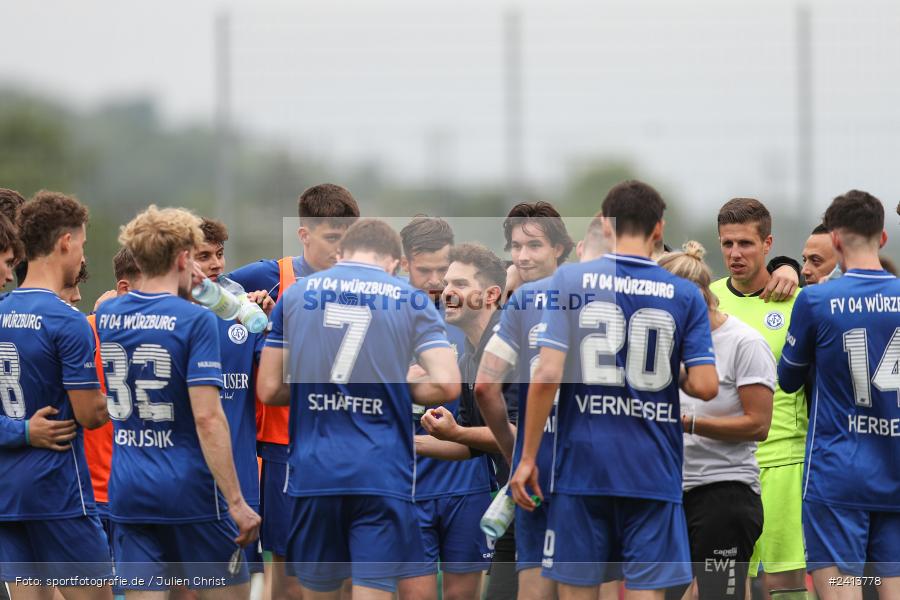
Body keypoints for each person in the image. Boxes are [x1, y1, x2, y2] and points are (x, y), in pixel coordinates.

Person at [510, 180, 719, 598]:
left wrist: (528, 456)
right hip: (652, 470)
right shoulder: (684, 293)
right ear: (659, 230)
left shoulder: (570, 279)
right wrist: (661, 362)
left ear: (606, 226)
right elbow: (706, 385)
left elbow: (547, 374)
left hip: (582, 469)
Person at [257, 218, 461, 598]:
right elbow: (447, 384)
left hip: (314, 471)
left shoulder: (298, 295)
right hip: (381, 472)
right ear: (395, 262)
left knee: (320, 590)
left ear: (341, 254)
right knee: (373, 587)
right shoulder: (410, 298)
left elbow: (269, 389)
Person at [96, 205, 260, 598]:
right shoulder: (195, 319)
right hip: (190, 488)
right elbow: (207, 418)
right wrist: (236, 501)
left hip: (128, 488)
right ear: (184, 258)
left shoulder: (108, 314)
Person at [227, 183, 359, 599]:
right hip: (285, 445)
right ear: (304, 234)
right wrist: (247, 313)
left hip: (346, 443)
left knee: (345, 565)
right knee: (289, 569)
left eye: (347, 238)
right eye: (331, 238)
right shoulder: (270, 276)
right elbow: (210, 293)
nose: (341, 249)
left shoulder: (361, 283)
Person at [779, 190, 900, 600]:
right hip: (895, 470)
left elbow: (789, 379)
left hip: (838, 475)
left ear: (833, 239)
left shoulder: (816, 300)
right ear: (882, 238)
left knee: (843, 590)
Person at [0, 191, 112, 600]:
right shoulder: (67, 321)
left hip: (6, 493)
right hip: (58, 492)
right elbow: (90, 415)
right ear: (66, 242)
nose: (82, 257)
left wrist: (21, 431)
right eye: (81, 245)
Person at [658, 241, 775, 600]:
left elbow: (758, 424)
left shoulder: (744, 342)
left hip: (725, 493)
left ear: (697, 296)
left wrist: (690, 423)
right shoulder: (663, 341)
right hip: (668, 493)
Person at [474, 201, 574, 600]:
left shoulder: (527, 300)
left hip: (540, 467)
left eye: (534, 245)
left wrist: (516, 451)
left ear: (560, 248)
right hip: (550, 471)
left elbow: (484, 386)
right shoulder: (522, 301)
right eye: (515, 246)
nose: (522, 256)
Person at [712, 198, 809, 598]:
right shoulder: (707, 299)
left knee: (783, 583)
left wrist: (792, 270)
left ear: (767, 244)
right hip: (723, 466)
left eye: (746, 244)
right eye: (727, 243)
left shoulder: (798, 300)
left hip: (785, 460)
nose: (735, 254)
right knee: (721, 583)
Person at [396, 217, 494, 600]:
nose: (437, 280)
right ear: (405, 264)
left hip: (466, 481)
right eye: (425, 270)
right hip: (408, 483)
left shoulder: (467, 314)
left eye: (444, 269)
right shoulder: (387, 313)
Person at [193, 217, 272, 592]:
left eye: (220, 254)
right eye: (204, 256)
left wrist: (271, 322)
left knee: (236, 585)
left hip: (238, 478)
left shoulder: (244, 307)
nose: (216, 264)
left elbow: (272, 382)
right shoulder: (165, 313)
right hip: (183, 480)